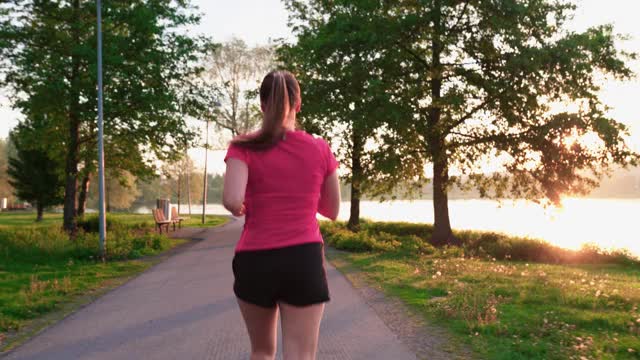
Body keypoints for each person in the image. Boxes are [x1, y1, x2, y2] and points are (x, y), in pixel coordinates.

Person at [222, 70, 341, 360]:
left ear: (263, 105)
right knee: (300, 355)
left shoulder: (243, 146)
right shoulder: (320, 149)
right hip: (303, 259)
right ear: (298, 105)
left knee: (262, 351)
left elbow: (232, 199)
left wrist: (241, 207)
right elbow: (333, 210)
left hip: (255, 260)